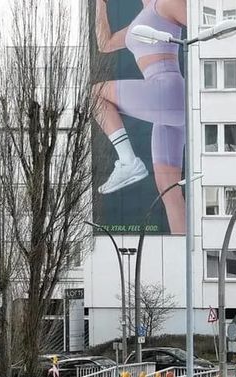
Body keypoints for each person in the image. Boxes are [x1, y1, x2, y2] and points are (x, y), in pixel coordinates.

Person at [93, 0, 188, 233]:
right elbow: (104, 43)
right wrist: (100, 4)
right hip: (166, 106)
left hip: (167, 90)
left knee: (95, 94)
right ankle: (185, 256)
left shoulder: (166, 3)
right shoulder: (141, 19)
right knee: (169, 190)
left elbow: (201, 28)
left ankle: (128, 161)